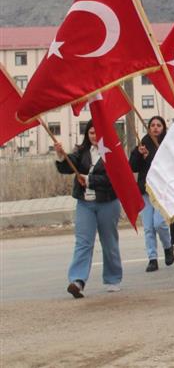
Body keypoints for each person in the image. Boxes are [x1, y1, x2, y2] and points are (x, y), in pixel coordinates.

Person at [54, 121, 123, 299]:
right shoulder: (81, 151)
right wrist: (61, 155)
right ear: (87, 134)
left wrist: (89, 180)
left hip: (108, 202)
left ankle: (113, 278)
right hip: (85, 204)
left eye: (97, 132)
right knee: (83, 242)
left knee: (109, 242)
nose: (94, 136)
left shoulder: (114, 151)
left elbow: (114, 178)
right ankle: (77, 280)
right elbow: (68, 166)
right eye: (91, 133)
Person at [129, 115, 174, 272]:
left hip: (161, 190)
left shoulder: (167, 144)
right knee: (148, 227)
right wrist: (138, 153)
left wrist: (149, 157)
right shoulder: (144, 143)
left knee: (159, 223)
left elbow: (166, 166)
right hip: (146, 190)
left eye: (158, 125)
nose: (155, 128)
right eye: (152, 125)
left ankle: (168, 247)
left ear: (163, 128)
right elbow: (133, 166)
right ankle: (152, 258)